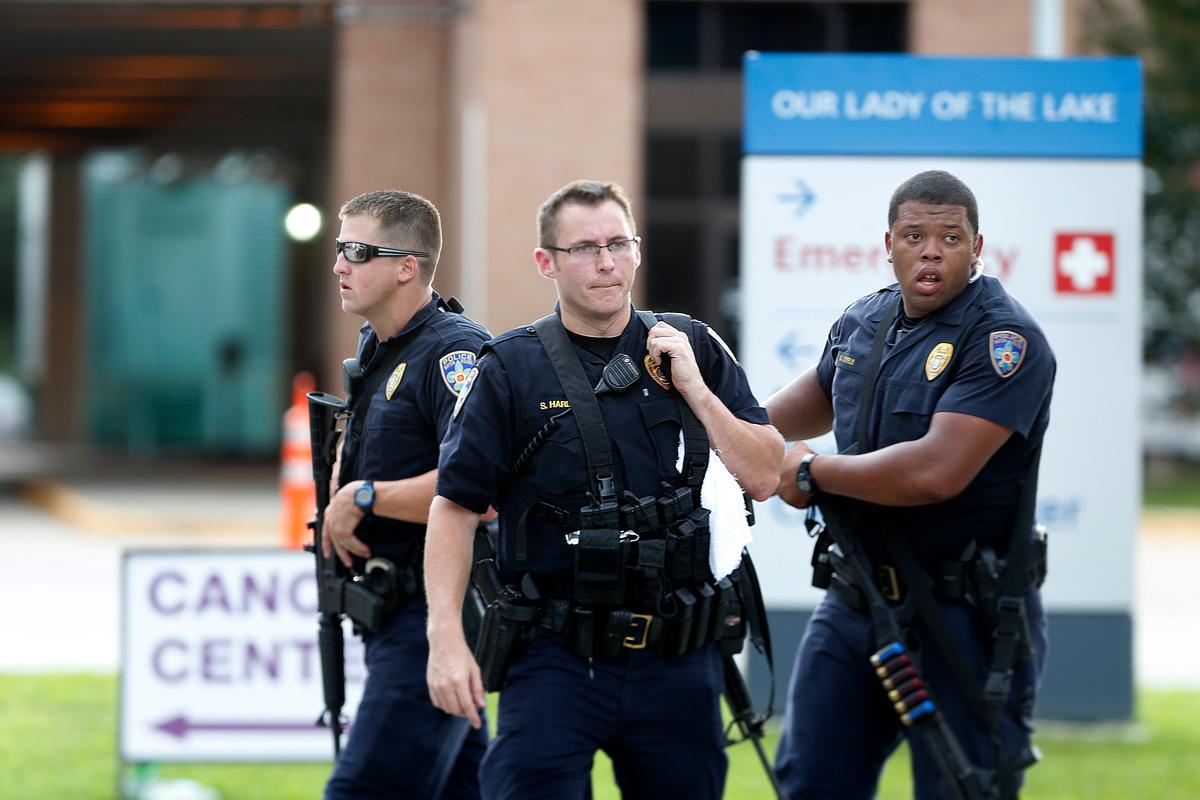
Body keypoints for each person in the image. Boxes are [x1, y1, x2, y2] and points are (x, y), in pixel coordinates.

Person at [423, 179, 784, 799]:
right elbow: (454, 508)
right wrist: (444, 638)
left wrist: (696, 390)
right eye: (585, 248)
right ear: (547, 262)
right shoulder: (510, 367)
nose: (606, 262)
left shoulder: (691, 345)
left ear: (638, 250)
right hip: (555, 657)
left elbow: (765, 473)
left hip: (677, 655)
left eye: (619, 243)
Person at [766, 170, 1055, 799]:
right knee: (810, 780)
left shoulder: (1006, 340)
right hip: (857, 600)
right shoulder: (864, 319)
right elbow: (799, 409)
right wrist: (715, 427)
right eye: (915, 235)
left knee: (962, 786)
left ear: (977, 247)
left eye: (950, 237)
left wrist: (812, 473)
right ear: (888, 242)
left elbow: (934, 473)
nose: (931, 250)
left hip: (965, 614)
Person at [322, 190, 490, 799]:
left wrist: (364, 497)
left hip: (434, 613)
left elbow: (483, 488)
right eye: (340, 249)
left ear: (406, 267)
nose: (340, 264)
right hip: (392, 609)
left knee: (363, 790)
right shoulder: (377, 347)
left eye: (358, 251)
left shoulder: (454, 353)